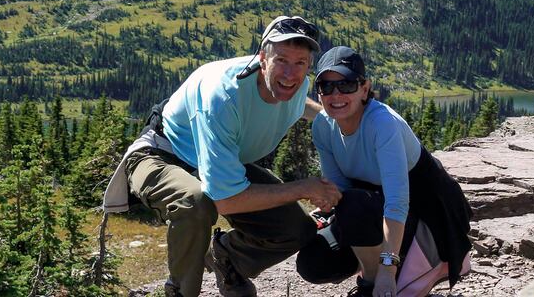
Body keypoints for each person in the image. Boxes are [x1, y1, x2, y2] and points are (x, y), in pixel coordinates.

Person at [103, 16, 342, 297]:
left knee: (296, 230)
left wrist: (334, 118)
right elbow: (226, 201)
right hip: (162, 153)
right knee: (195, 202)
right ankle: (180, 292)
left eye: (300, 63)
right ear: (263, 59)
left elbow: (300, 103)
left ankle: (227, 259)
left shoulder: (294, 84)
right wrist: (303, 188)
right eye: (282, 61)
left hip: (217, 160)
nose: (290, 73)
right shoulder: (224, 96)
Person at [296, 46, 473, 297]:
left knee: (355, 205)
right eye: (326, 86)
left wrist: (387, 272)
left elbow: (397, 201)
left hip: (425, 212)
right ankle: (375, 267)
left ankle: (373, 282)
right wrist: (327, 206)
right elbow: (340, 191)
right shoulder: (324, 128)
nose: (336, 94)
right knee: (313, 263)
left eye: (346, 85)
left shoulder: (383, 123)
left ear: (364, 88)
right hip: (373, 209)